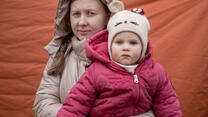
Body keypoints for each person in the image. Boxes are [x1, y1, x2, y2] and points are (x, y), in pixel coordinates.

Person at [33, 0, 154, 117]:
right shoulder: (61, 55)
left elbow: (154, 107)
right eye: (76, 14)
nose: (81, 22)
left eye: (91, 13)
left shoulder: (129, 55)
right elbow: (43, 103)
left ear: (108, 16)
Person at [57, 10, 182, 117]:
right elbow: (77, 102)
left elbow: (167, 103)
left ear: (143, 47)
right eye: (119, 42)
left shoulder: (156, 71)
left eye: (133, 43)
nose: (125, 48)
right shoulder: (97, 71)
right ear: (110, 46)